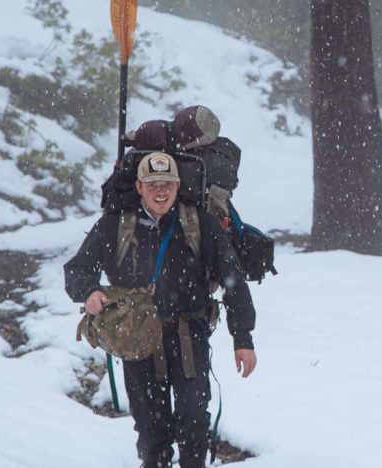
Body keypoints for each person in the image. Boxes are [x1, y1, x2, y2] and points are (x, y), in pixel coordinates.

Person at [64, 152, 257, 468]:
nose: (161, 191)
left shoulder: (199, 223)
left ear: (178, 185)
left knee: (194, 420)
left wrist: (243, 339)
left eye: (167, 183)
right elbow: (78, 269)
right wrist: (89, 292)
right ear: (139, 186)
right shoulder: (117, 224)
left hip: (188, 334)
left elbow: (233, 280)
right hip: (136, 336)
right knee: (152, 430)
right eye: (152, 183)